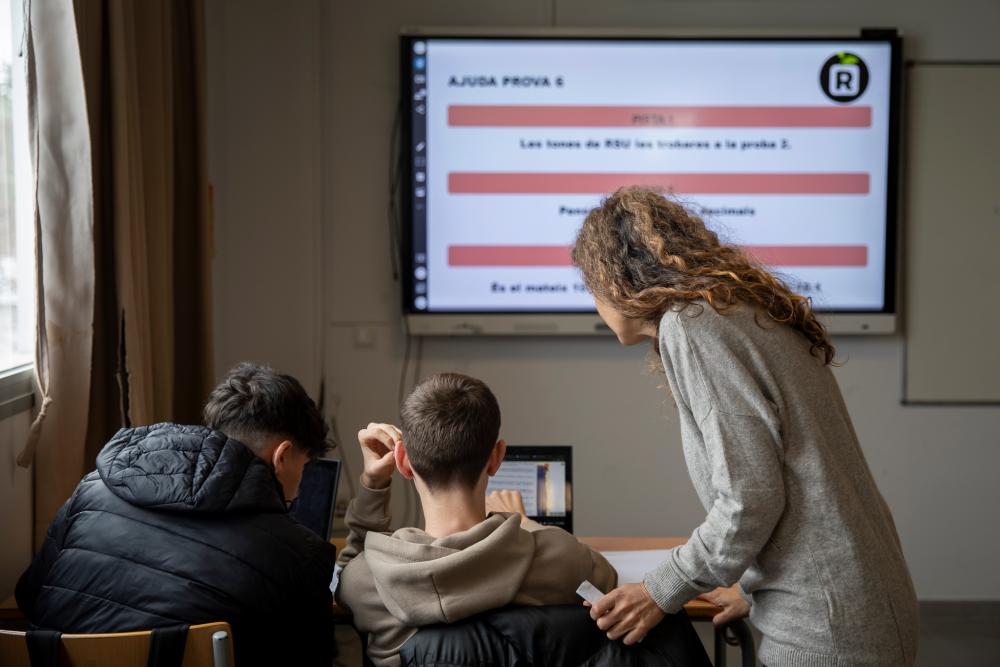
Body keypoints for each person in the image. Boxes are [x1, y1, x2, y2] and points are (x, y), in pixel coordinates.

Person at [571, 187, 919, 666]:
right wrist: (757, 589)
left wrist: (659, 590)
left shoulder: (692, 325)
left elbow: (749, 498)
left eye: (590, 288)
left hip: (826, 628)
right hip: (856, 602)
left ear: (615, 279)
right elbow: (799, 476)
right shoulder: (732, 309)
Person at [16, 362, 337, 666]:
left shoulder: (91, 489)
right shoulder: (297, 553)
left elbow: (30, 598)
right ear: (282, 456)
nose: (299, 488)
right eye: (304, 467)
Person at [335, 372, 619, 667]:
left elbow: (343, 578)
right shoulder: (561, 559)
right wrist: (525, 522)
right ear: (496, 458)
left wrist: (373, 484)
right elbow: (608, 583)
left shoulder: (367, 579)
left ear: (403, 461)